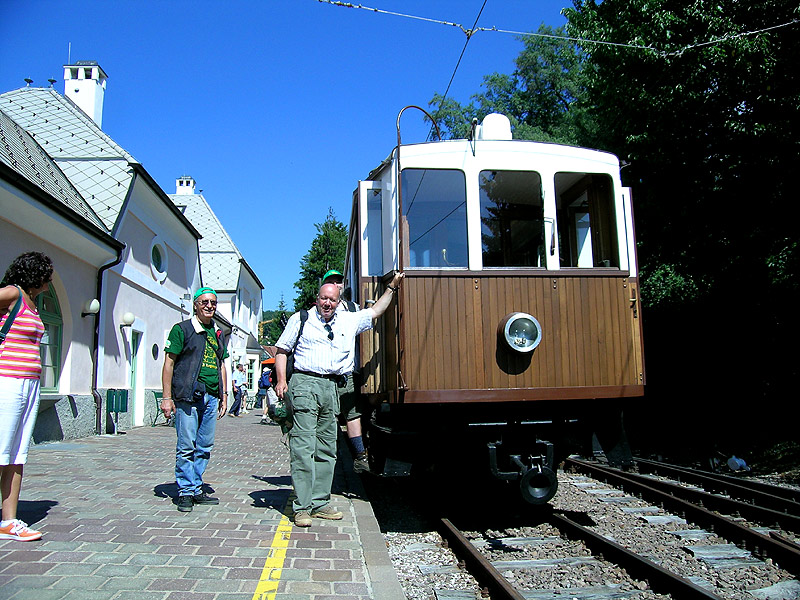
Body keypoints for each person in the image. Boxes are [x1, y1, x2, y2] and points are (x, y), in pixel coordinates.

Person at [275, 271, 404, 527]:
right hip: (305, 384)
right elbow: (282, 351)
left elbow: (376, 311)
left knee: (327, 448)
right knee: (303, 446)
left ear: (338, 301)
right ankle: (302, 507)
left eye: (332, 300)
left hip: (333, 387)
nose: (327, 303)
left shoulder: (348, 320)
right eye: (324, 298)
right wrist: (281, 380)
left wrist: (391, 287)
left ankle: (320, 502)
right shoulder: (301, 318)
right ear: (317, 299)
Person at [0, 252, 53, 542]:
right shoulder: (12, 294)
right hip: (7, 381)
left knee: (17, 452)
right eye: (47, 275)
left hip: (30, 385)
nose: (49, 281)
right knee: (1, 448)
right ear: (35, 273)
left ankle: (8, 521)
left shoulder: (32, 304)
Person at [161, 287, 228, 512]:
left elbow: (221, 364)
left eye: (213, 302)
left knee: (205, 445)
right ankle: (185, 491)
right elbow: (169, 363)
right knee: (186, 445)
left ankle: (196, 486)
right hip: (188, 395)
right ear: (196, 305)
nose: (209, 306)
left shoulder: (217, 332)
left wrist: (224, 395)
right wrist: (167, 397)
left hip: (211, 395)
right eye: (204, 302)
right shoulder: (182, 329)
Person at [321, 269, 368, 473]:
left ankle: (360, 455)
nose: (336, 285)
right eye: (331, 282)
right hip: (325, 373)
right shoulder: (320, 310)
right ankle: (328, 455)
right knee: (327, 414)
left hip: (348, 371)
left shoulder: (353, 308)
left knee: (352, 413)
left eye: (338, 282)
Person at [258, 358, 276, 425]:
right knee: (273, 403)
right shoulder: (271, 372)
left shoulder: (265, 373)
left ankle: (264, 417)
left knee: (268, 404)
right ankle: (273, 419)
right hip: (271, 388)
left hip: (267, 389)